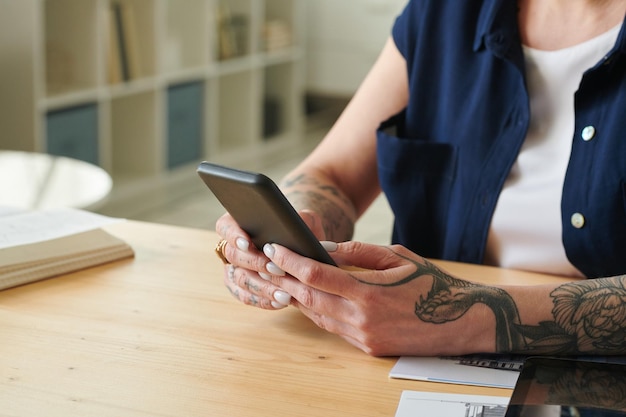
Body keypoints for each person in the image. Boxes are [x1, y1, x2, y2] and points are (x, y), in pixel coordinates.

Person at [214, 0, 626, 357]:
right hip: (419, 370)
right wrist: (296, 230)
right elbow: (332, 174)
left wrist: (466, 318)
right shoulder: (443, 12)